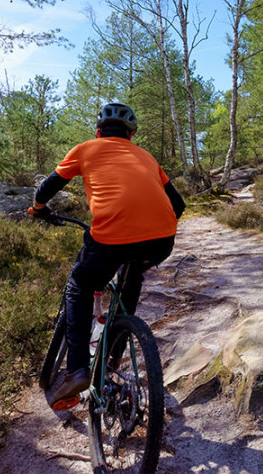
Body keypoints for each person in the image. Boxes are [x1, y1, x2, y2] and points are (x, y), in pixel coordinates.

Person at [28, 102, 185, 408]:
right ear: (131, 135)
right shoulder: (148, 157)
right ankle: (115, 352)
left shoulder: (86, 149)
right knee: (133, 275)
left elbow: (49, 187)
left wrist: (38, 208)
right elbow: (178, 206)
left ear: (99, 132)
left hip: (110, 238)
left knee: (80, 285)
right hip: (162, 240)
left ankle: (76, 371)